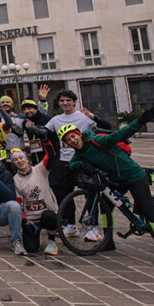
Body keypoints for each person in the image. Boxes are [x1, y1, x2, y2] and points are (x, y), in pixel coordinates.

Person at [62, 107, 154, 266]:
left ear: (79, 134)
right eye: (68, 140)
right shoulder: (79, 153)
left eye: (73, 136)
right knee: (106, 208)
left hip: (133, 175)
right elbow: (73, 163)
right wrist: (82, 163)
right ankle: (108, 241)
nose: (72, 140)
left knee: (148, 211)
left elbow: (121, 134)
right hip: (117, 180)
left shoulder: (97, 141)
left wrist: (140, 121)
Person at [45, 89, 103, 237]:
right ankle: (70, 225)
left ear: (74, 102)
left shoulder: (83, 118)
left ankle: (92, 226)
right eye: (62, 101)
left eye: (68, 100)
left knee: (89, 193)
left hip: (83, 160)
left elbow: (105, 127)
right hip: (65, 162)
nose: (65, 103)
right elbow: (44, 129)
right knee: (64, 194)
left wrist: (93, 116)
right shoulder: (56, 120)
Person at [10, 143, 60, 256]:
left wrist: (45, 140)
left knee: (50, 217)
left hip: (46, 212)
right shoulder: (15, 180)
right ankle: (36, 236)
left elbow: (51, 155)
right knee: (31, 248)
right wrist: (24, 221)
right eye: (16, 160)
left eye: (21, 158)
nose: (19, 161)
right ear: (14, 164)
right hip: (31, 218)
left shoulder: (40, 169)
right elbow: (18, 202)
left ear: (27, 159)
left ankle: (51, 241)